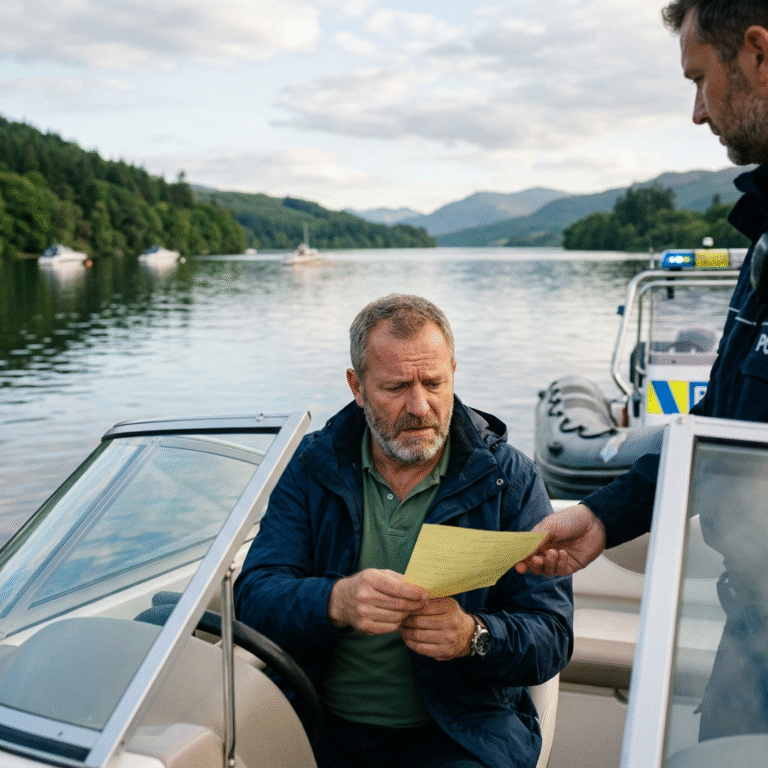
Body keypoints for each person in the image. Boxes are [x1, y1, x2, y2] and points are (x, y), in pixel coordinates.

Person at [517, 0, 768, 740]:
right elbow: (715, 430)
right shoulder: (764, 246)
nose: (698, 111)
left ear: (758, 53)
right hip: (749, 642)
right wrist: (603, 516)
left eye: (700, 78)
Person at [234, 294, 573, 768]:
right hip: (316, 721)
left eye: (434, 383)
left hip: (461, 734)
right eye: (395, 387)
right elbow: (253, 598)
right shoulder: (313, 466)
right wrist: (335, 601)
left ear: (453, 371)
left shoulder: (508, 478)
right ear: (357, 387)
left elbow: (552, 635)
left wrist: (473, 635)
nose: (419, 405)